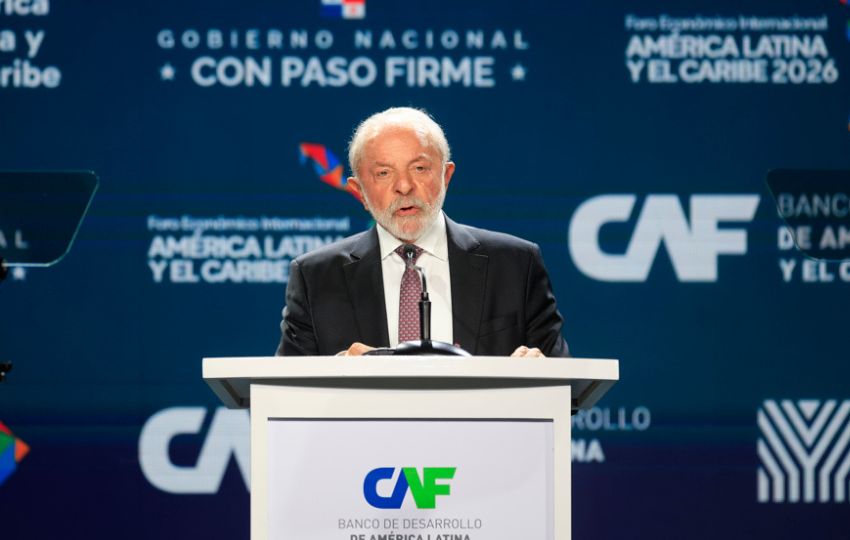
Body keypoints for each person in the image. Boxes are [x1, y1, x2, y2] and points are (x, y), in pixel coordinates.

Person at [277, 107, 569, 358]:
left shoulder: (516, 265)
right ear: (359, 192)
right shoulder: (316, 277)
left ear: (446, 176)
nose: (403, 186)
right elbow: (285, 397)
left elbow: (565, 392)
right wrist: (335, 372)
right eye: (383, 173)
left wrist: (538, 369)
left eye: (419, 168)